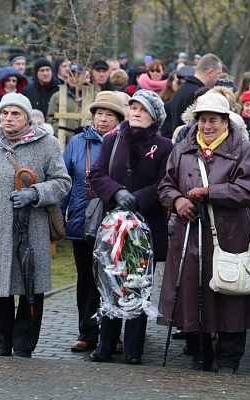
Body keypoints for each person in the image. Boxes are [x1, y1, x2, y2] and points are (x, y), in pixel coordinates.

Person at [157, 92, 250, 373]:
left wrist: (211, 192)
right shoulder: (183, 149)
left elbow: (249, 189)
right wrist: (178, 201)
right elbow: (166, 185)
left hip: (230, 235)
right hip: (191, 235)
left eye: (213, 120)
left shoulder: (242, 148)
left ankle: (229, 358)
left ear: (225, 121)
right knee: (196, 295)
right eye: (202, 120)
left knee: (230, 296)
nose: (207, 126)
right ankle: (201, 352)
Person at [0, 93, 71, 358]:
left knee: (30, 287)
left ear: (27, 117)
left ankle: (24, 345)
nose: (8, 119)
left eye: (15, 114)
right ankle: (0, 343)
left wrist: (35, 193)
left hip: (32, 229)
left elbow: (62, 182)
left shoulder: (47, 144)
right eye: (4, 113)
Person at [88, 89, 173, 365]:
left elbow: (166, 182)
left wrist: (138, 198)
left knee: (138, 285)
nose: (135, 113)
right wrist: (115, 192)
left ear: (154, 117)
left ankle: (133, 350)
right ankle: (105, 346)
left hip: (145, 226)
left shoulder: (164, 146)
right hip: (114, 224)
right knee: (111, 282)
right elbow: (97, 173)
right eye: (133, 107)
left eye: (142, 110)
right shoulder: (113, 140)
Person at [60, 91, 126, 352]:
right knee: (86, 281)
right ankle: (87, 333)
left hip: (114, 224)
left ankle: (114, 335)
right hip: (81, 222)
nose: (102, 119)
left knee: (114, 279)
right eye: (99, 113)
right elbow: (64, 180)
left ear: (119, 118)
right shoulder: (77, 143)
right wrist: (58, 217)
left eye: (109, 114)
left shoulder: (124, 143)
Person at [169, 53, 223, 131]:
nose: (218, 78)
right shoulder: (200, 95)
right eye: (218, 74)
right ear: (210, 72)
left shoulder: (182, 89)